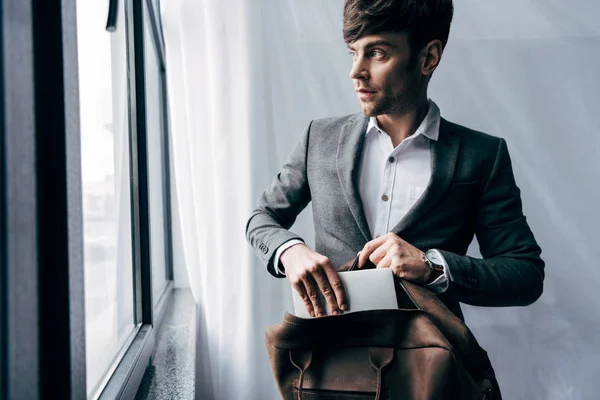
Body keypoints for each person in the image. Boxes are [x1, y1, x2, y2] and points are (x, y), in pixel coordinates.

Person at [245, 0, 544, 321]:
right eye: (353, 52)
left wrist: (432, 267)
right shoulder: (318, 138)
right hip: (331, 358)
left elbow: (525, 275)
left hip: (430, 361)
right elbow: (262, 218)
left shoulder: (482, 155)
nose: (355, 71)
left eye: (376, 53)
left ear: (428, 57)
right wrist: (289, 251)